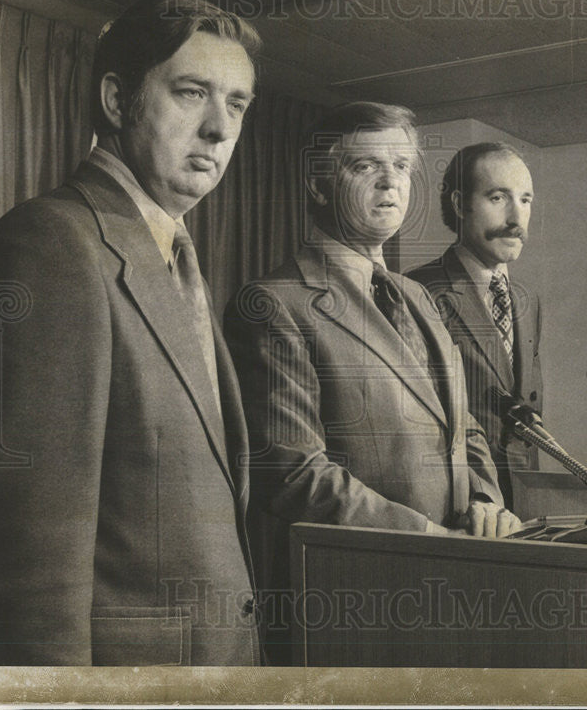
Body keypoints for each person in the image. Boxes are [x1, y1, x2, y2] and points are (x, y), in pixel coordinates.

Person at [0, 0, 262, 665]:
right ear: (117, 101)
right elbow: (24, 570)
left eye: (236, 104)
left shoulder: (175, 256)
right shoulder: (50, 243)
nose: (218, 128)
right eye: (192, 93)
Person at [225, 103, 521, 660]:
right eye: (365, 166)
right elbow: (294, 477)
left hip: (454, 586)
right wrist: (433, 541)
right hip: (356, 603)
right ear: (318, 182)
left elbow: (465, 426)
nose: (392, 182)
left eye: (403, 166)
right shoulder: (273, 303)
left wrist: (485, 499)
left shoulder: (416, 295)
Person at [405, 142, 543, 509]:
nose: (517, 218)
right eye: (498, 198)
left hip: (523, 504)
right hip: (460, 505)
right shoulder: (417, 292)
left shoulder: (527, 301)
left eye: (526, 200)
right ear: (459, 204)